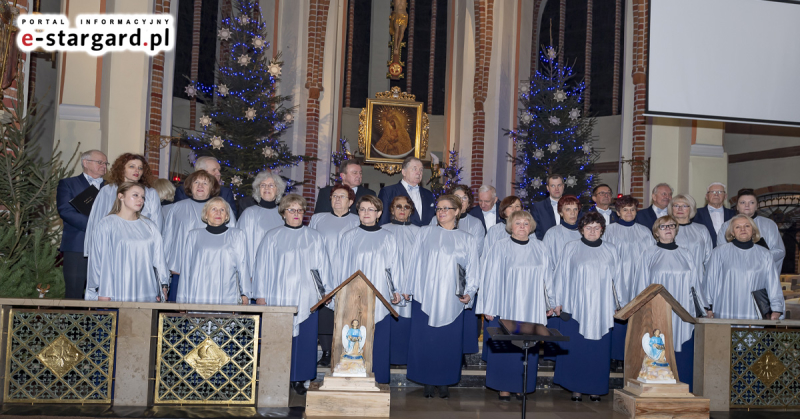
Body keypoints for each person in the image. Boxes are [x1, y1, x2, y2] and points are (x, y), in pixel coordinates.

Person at [252, 194, 334, 395]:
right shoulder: (272, 236)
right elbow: (262, 267)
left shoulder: (314, 236)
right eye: (291, 210)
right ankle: (278, 376)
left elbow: (323, 266)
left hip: (307, 296)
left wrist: (325, 292)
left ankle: (300, 378)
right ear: (283, 213)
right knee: (279, 338)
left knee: (304, 340)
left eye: (300, 210)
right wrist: (260, 295)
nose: (296, 214)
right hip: (278, 295)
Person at [406, 195, 479, 399]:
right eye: (438, 208)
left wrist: (470, 292)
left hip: (452, 298)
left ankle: (445, 381)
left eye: (446, 208)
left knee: (448, 342)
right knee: (426, 339)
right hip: (425, 295)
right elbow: (414, 262)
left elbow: (473, 269)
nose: (441, 212)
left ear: (457, 212)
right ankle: (428, 381)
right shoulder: (425, 232)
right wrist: (408, 287)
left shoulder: (467, 238)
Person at [477, 210, 554, 401]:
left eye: (526, 223)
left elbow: (549, 278)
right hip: (506, 304)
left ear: (531, 227)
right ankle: (504, 387)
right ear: (511, 226)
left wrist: (551, 302)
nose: (522, 227)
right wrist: (489, 306)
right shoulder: (500, 246)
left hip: (532, 306)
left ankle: (523, 386)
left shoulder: (540, 247)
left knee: (528, 346)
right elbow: (490, 278)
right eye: (518, 223)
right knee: (506, 345)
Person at [633, 215, 711, 392]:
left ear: (676, 229)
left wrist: (703, 308)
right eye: (663, 226)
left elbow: (695, 284)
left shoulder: (686, 254)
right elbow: (641, 283)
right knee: (659, 346)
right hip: (657, 310)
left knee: (683, 349)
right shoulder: (649, 254)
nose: (668, 229)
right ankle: (657, 390)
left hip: (683, 310)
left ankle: (683, 390)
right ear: (656, 232)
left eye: (671, 225)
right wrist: (642, 310)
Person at [552, 212, 620, 402]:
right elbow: (560, 275)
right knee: (577, 349)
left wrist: (619, 304)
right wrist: (557, 301)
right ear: (581, 229)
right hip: (575, 306)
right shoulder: (571, 247)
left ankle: (595, 388)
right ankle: (576, 388)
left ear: (602, 230)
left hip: (602, 307)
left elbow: (619, 279)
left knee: (597, 351)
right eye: (588, 227)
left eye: (596, 227)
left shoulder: (611, 249)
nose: (592, 231)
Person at [335, 195, 403, 383]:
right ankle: (353, 380)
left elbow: (394, 267)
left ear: (379, 213)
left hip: (380, 297)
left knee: (378, 341)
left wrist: (395, 290)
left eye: (371, 209)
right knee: (356, 341)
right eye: (363, 209)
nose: (366, 213)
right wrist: (341, 294)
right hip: (354, 298)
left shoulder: (388, 237)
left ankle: (379, 381)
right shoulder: (349, 236)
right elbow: (341, 266)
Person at [85, 182, 169, 302]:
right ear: (121, 196)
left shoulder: (150, 226)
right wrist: (99, 289)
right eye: (135, 195)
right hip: (116, 289)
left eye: (143, 197)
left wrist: (163, 285)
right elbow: (97, 259)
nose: (140, 200)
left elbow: (159, 258)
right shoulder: (107, 224)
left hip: (146, 287)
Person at [162, 170, 236, 301]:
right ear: (190, 186)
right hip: (181, 270)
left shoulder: (222, 208)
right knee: (178, 315)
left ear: (212, 187)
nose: (200, 186)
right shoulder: (176, 208)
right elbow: (167, 240)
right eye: (196, 182)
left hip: (215, 272)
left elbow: (233, 239)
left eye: (205, 183)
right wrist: (165, 274)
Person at [308, 184, 360, 367]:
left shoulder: (357, 220)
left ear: (351, 202)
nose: (337, 199)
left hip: (348, 272)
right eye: (334, 196)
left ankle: (344, 349)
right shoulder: (318, 219)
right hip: (324, 271)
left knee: (347, 313)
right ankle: (326, 351)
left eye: (342, 196)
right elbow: (310, 244)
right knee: (324, 315)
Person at [603, 195, 654, 363]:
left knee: (637, 316)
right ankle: (615, 356)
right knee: (618, 315)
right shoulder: (609, 230)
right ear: (618, 212)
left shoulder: (644, 231)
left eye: (632, 209)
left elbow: (652, 256)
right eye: (625, 210)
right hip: (617, 278)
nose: (629, 212)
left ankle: (633, 355)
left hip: (639, 278)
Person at [706, 214, 784, 320]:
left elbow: (773, 283)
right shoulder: (719, 252)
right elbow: (710, 280)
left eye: (747, 226)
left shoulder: (765, 254)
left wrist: (776, 309)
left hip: (755, 310)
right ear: (732, 232)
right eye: (738, 227)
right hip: (726, 307)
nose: (743, 229)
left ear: (753, 230)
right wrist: (708, 307)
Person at [84, 153, 162, 257]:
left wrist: (155, 251)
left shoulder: (150, 193)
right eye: (132, 166)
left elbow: (157, 224)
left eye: (140, 168)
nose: (137, 170)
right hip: (111, 247)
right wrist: (94, 249)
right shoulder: (107, 191)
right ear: (122, 169)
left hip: (139, 248)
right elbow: (96, 221)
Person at [176, 197, 250, 305]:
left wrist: (245, 294)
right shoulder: (194, 235)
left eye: (222, 210)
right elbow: (186, 269)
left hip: (227, 293)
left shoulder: (237, 235)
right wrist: (181, 300)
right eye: (213, 209)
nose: (218, 213)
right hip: (199, 293)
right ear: (206, 214)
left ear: (227, 216)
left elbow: (243, 266)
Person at [56, 149, 107, 299]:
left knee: (104, 292)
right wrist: (94, 226)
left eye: (105, 163)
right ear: (85, 163)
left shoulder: (111, 187)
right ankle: (73, 322)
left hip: (105, 247)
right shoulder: (68, 184)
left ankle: (99, 322)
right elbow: (65, 211)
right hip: (77, 244)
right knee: (74, 292)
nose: (104, 166)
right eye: (100, 162)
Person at [381, 196, 420, 365]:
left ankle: (406, 358)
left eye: (406, 207)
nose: (402, 210)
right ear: (392, 210)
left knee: (408, 324)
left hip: (411, 285)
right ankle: (389, 357)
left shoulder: (419, 232)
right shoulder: (382, 230)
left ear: (411, 210)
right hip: (387, 284)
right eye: (398, 206)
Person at [716, 189, 785, 274]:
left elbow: (779, 251)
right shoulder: (726, 226)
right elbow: (721, 252)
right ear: (737, 206)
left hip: (761, 273)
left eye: (751, 202)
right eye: (742, 202)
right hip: (735, 274)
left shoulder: (769, 224)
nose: (747, 205)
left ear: (756, 206)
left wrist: (755, 258)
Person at [237, 172, 286, 269]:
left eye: (271, 185)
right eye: (263, 185)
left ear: (278, 190)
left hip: (278, 269)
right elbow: (240, 246)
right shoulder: (249, 214)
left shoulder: (283, 215)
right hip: (255, 269)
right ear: (258, 190)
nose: (267, 188)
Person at [378, 156, 435, 226]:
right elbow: (383, 222)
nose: (419, 172)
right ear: (404, 172)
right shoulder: (388, 192)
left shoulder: (428, 194)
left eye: (421, 170)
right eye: (414, 169)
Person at [173, 156, 239, 216]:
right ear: (201, 171)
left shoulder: (225, 192)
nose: (219, 174)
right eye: (214, 170)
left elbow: (231, 216)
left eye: (219, 170)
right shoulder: (183, 191)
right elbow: (179, 216)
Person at [669, 194, 713, 279]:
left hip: (698, 276)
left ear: (691, 208)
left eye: (685, 206)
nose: (680, 209)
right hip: (674, 277)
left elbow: (709, 258)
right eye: (676, 205)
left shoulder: (701, 229)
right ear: (671, 208)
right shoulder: (666, 229)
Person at [692, 182, 735, 247]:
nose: (716, 194)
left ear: (725, 196)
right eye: (712, 192)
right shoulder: (695, 214)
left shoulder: (734, 214)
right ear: (707, 196)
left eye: (720, 192)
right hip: (704, 254)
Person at [532, 174, 566, 240]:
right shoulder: (538, 207)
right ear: (548, 188)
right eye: (553, 186)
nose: (556, 189)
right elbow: (536, 231)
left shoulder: (572, 206)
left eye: (559, 185)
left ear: (563, 186)